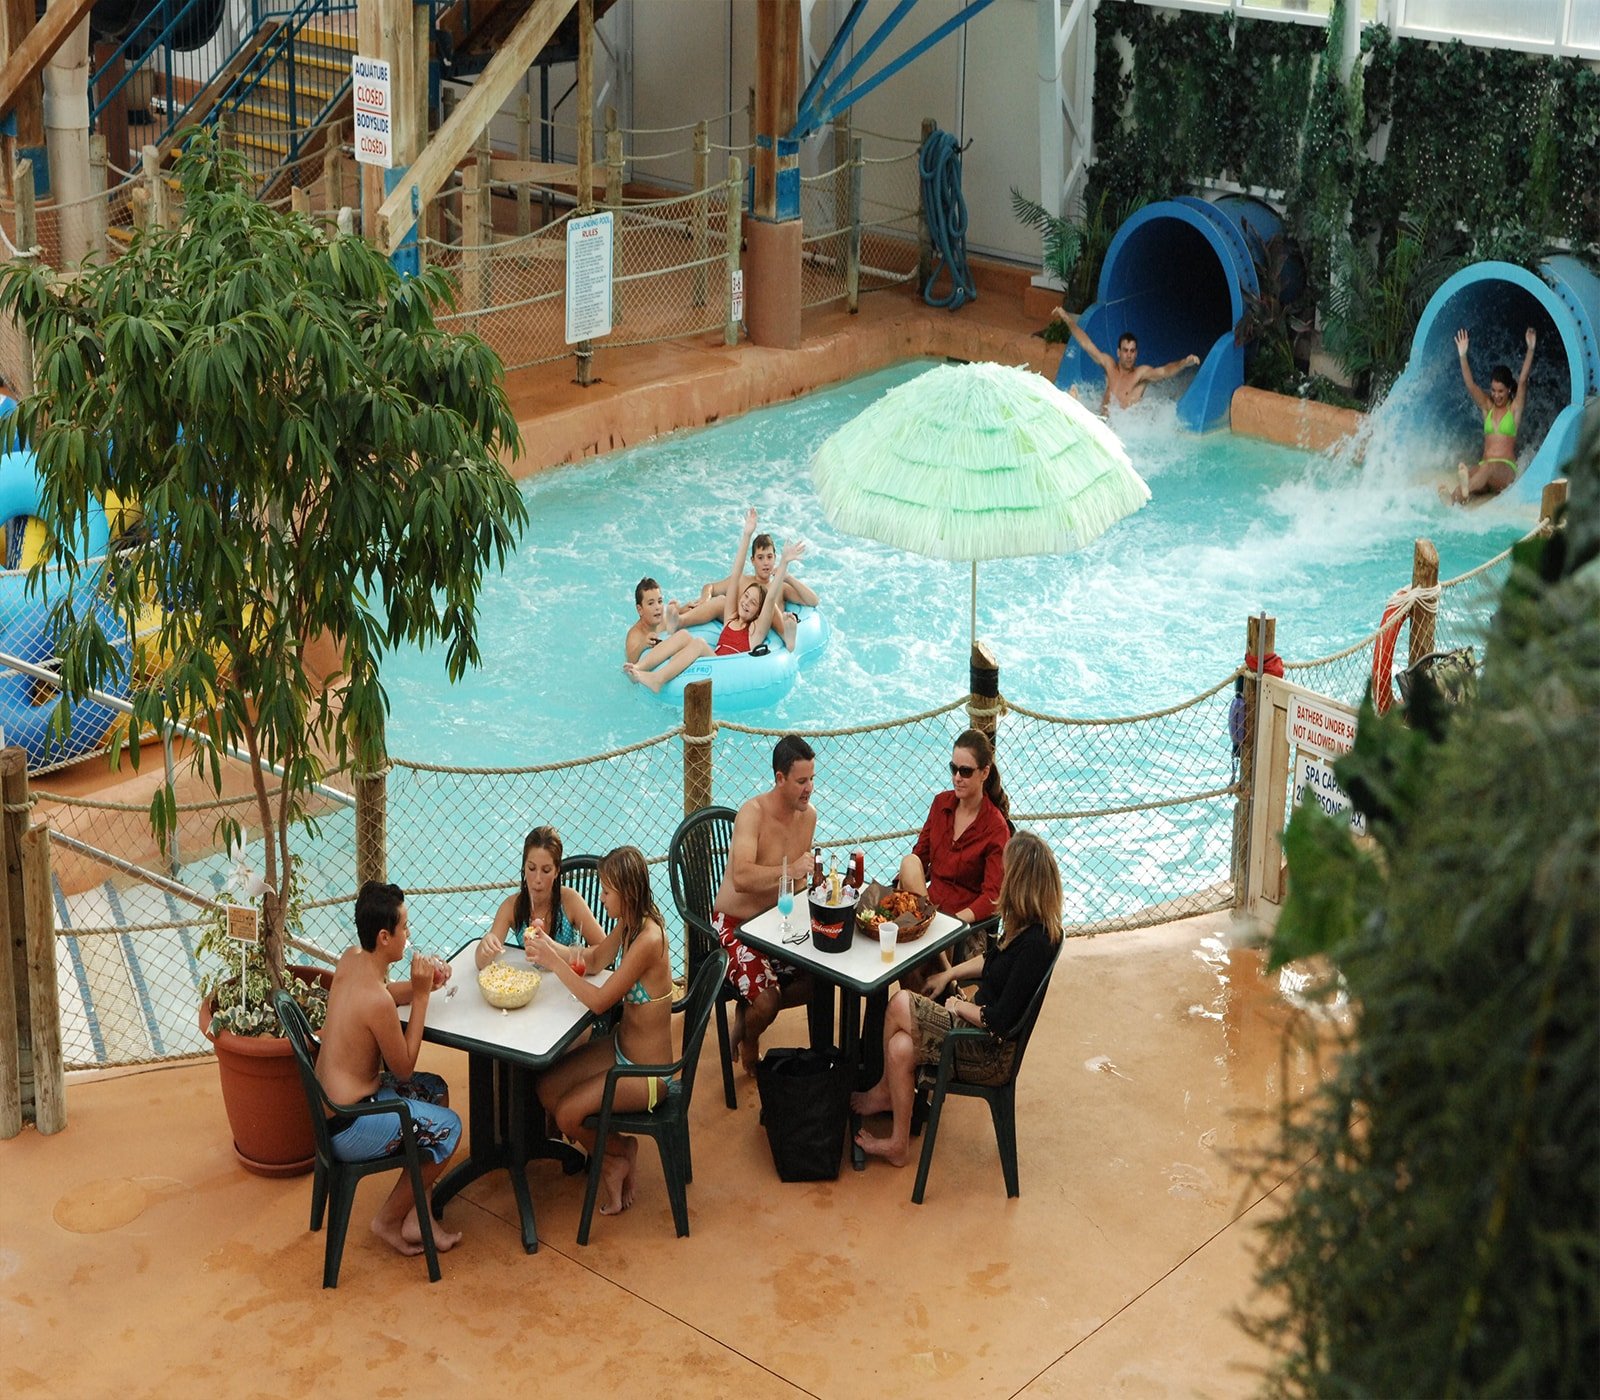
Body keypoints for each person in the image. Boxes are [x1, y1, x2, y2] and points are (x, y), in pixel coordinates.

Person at [852, 829, 1062, 1168]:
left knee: (900, 1002)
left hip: (987, 1052)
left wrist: (958, 1005)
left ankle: (884, 1091)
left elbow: (1000, 1021)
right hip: (976, 1030)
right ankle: (898, 1145)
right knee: (900, 1048)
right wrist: (948, 975)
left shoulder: (1036, 945)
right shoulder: (1028, 927)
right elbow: (992, 961)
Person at [315, 880, 464, 1256]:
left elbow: (383, 994)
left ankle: (418, 1216)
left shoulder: (351, 958)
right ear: (385, 937)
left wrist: (423, 985)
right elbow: (404, 1070)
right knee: (449, 1129)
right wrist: (420, 996)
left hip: (330, 1109)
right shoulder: (376, 1002)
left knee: (437, 1091)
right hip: (352, 1125)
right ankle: (387, 1220)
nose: (409, 934)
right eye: (405, 927)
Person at [530, 846, 676, 1218]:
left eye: (607, 891)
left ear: (627, 893)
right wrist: (548, 946)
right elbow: (595, 960)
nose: (601, 897)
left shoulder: (648, 939)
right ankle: (613, 1153)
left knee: (566, 1115)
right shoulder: (629, 923)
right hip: (621, 1047)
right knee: (546, 1087)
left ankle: (617, 1155)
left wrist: (554, 965)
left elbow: (599, 1002)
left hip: (646, 1074)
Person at [712, 733, 818, 1072]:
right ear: (780, 778)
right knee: (768, 1000)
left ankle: (746, 1015)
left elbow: (799, 885)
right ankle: (751, 1038)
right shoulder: (752, 813)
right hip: (736, 925)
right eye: (801, 781)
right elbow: (741, 878)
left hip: (777, 924)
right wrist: (791, 870)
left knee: (823, 979)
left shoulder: (809, 816)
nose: (809, 788)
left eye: (812, 779)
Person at [896, 728, 1012, 989]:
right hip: (928, 914)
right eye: (953, 769)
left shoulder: (995, 828)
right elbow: (919, 857)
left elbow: (992, 898)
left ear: (985, 772)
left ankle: (923, 1004)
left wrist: (953, 921)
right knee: (909, 862)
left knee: (910, 955)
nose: (957, 778)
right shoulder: (941, 805)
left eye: (965, 771)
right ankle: (942, 985)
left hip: (963, 927)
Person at [474, 826, 608, 969]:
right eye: (531, 868)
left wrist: (553, 950)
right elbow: (481, 964)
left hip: (567, 979)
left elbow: (606, 953)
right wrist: (485, 947)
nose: (537, 879)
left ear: (556, 871)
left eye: (546, 870)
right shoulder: (512, 906)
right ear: (524, 868)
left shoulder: (569, 901)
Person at [1443, 327, 1536, 505]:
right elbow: (1471, 385)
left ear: (1509, 390)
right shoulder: (1487, 408)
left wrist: (1530, 349)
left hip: (1505, 470)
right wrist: (1462, 355)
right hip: (1485, 466)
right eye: (1493, 390)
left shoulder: (1514, 409)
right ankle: (1452, 500)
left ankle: (1465, 491)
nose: (1496, 395)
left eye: (1501, 391)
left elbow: (1523, 380)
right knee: (1471, 472)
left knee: (1486, 469)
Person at [1051, 307, 1200, 415]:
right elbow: (1086, 344)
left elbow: (1164, 371)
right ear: (1119, 352)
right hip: (1102, 420)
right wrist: (1066, 318)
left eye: (1132, 351)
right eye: (1125, 350)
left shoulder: (1140, 374)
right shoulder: (1109, 366)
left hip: (1120, 429)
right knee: (1072, 395)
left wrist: (1184, 363)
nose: (1129, 355)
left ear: (1136, 354)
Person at [713, 515, 806, 656]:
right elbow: (736, 573)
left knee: (699, 645)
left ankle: (789, 638)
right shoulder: (730, 619)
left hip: (731, 666)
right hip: (714, 662)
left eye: (753, 603)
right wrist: (747, 534)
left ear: (758, 613)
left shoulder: (754, 632)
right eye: (746, 596)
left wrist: (784, 562)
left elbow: (770, 598)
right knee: (691, 640)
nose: (746, 602)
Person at [703, 508, 819, 608]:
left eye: (769, 557)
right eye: (760, 558)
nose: (766, 562)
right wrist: (705, 598)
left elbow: (813, 601)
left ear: (775, 558)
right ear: (752, 560)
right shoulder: (741, 581)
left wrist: (788, 577)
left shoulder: (780, 588)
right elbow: (710, 587)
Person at [623, 576, 714, 693]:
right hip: (641, 669)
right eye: (651, 603)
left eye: (660, 601)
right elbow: (630, 661)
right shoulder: (635, 634)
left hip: (675, 647)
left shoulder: (664, 620)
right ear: (640, 609)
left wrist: (680, 610)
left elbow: (679, 619)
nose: (657, 607)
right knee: (683, 635)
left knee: (684, 635)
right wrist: (642, 644)